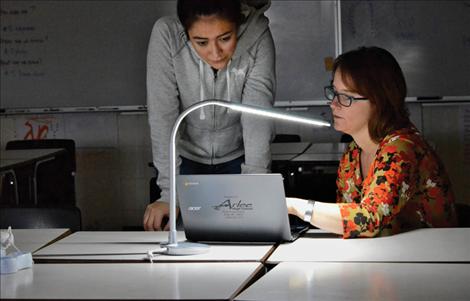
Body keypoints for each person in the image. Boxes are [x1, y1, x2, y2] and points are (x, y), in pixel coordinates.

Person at [287, 46, 457, 238]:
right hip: (386, 255)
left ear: (379, 101)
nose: (333, 104)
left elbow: (369, 219)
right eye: (334, 93)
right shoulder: (353, 152)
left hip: (432, 259)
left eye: (345, 97)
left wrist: (295, 206)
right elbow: (349, 221)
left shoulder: (402, 148)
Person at [144, 0, 275, 231]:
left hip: (237, 159)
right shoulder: (167, 35)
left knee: (245, 238)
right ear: (186, 34)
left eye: (225, 38)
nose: (214, 53)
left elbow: (257, 117)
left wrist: (255, 185)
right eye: (201, 42)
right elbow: (162, 117)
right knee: (181, 243)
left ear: (238, 25)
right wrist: (169, 193)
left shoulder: (257, 36)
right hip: (185, 161)